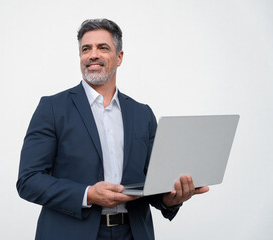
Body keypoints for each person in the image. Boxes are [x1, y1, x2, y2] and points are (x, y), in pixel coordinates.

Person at [17, 18, 209, 240]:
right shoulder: (52, 108)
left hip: (133, 233)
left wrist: (171, 199)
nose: (93, 55)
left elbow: (152, 183)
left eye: (103, 48)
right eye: (86, 49)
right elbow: (28, 180)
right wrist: (88, 194)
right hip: (72, 233)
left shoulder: (142, 113)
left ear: (119, 57)